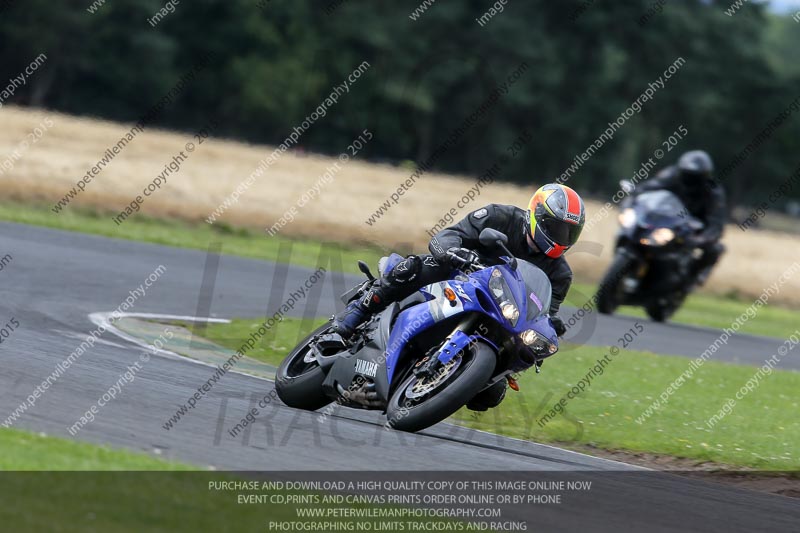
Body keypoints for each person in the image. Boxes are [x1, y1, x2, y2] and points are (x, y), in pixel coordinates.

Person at [332, 183, 586, 410]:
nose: (562, 238)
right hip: (458, 278)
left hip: (501, 314)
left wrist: (552, 324)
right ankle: (356, 314)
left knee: (491, 394)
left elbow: (544, 311)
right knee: (416, 267)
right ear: (537, 215)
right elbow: (448, 236)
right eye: (557, 228)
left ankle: (438, 383)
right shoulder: (500, 216)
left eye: (569, 233)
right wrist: (455, 252)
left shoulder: (560, 274)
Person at [635, 150, 726, 286]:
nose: (689, 179)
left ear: (704, 177)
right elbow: (649, 188)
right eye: (687, 175)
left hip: (691, 229)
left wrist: (701, 239)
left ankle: (691, 279)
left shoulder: (713, 192)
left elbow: (716, 223)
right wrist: (634, 195)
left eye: (694, 177)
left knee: (715, 248)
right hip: (664, 221)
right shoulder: (671, 176)